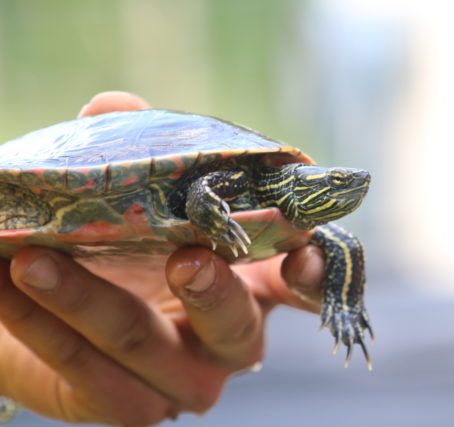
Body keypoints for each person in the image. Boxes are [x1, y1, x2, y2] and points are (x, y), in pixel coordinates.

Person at [0, 92, 326, 425]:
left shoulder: (289, 218)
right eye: (331, 184)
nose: (356, 187)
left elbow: (325, 241)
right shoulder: (237, 179)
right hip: (37, 193)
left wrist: (345, 302)